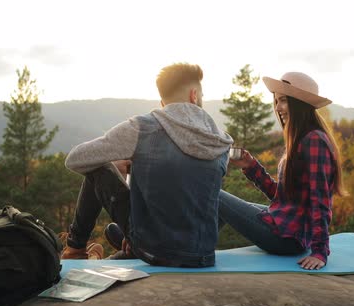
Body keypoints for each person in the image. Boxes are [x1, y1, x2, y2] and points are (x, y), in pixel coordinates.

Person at [61, 63, 233, 267]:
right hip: (202, 254)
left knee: (100, 166)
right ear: (194, 95)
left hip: (153, 248)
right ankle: (130, 240)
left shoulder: (142, 128)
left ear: (163, 102)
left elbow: (75, 159)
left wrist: (122, 165)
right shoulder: (221, 141)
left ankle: (75, 249)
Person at [218, 72, 346, 270]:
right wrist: (251, 167)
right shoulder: (301, 138)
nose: (277, 108)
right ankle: (201, 246)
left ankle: (197, 249)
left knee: (214, 195)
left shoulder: (314, 140)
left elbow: (320, 200)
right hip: (286, 228)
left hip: (286, 238)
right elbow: (284, 198)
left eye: (284, 101)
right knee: (224, 202)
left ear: (300, 103)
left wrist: (320, 251)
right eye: (277, 101)